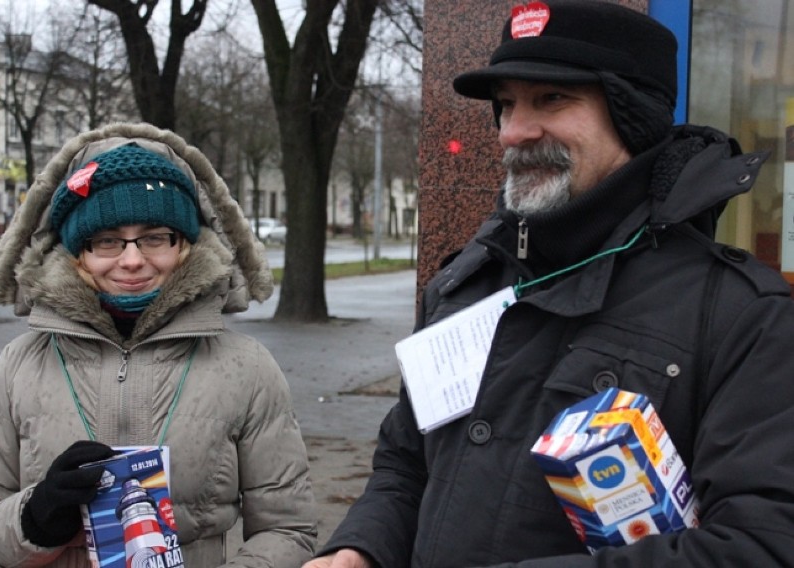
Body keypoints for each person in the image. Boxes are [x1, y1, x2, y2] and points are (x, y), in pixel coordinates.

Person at [304, 1, 794, 567]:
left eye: (552, 99)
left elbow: (763, 545)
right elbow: (405, 464)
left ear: (632, 114)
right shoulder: (463, 286)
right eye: (507, 104)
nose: (514, 131)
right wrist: (359, 548)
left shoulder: (742, 315)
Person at [0, 123, 317, 566]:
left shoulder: (248, 368)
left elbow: (289, 530)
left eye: (156, 237)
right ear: (78, 252)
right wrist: (32, 519)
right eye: (107, 240)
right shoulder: (17, 368)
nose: (133, 258)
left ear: (185, 246)